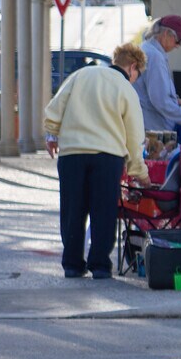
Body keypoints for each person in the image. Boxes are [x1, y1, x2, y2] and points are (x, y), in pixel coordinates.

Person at [44, 43, 148, 279]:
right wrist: (139, 171)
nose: (135, 80)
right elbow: (133, 135)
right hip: (107, 156)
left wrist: (52, 133)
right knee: (103, 210)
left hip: (72, 153)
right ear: (132, 67)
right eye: (137, 75)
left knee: (73, 210)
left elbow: (55, 107)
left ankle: (72, 264)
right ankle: (100, 265)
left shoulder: (80, 75)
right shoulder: (125, 88)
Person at [133, 16, 181, 138]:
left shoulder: (147, 49)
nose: (178, 46)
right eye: (178, 40)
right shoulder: (155, 56)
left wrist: (175, 100)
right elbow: (161, 101)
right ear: (166, 34)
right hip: (153, 129)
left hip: (146, 125)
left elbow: (151, 92)